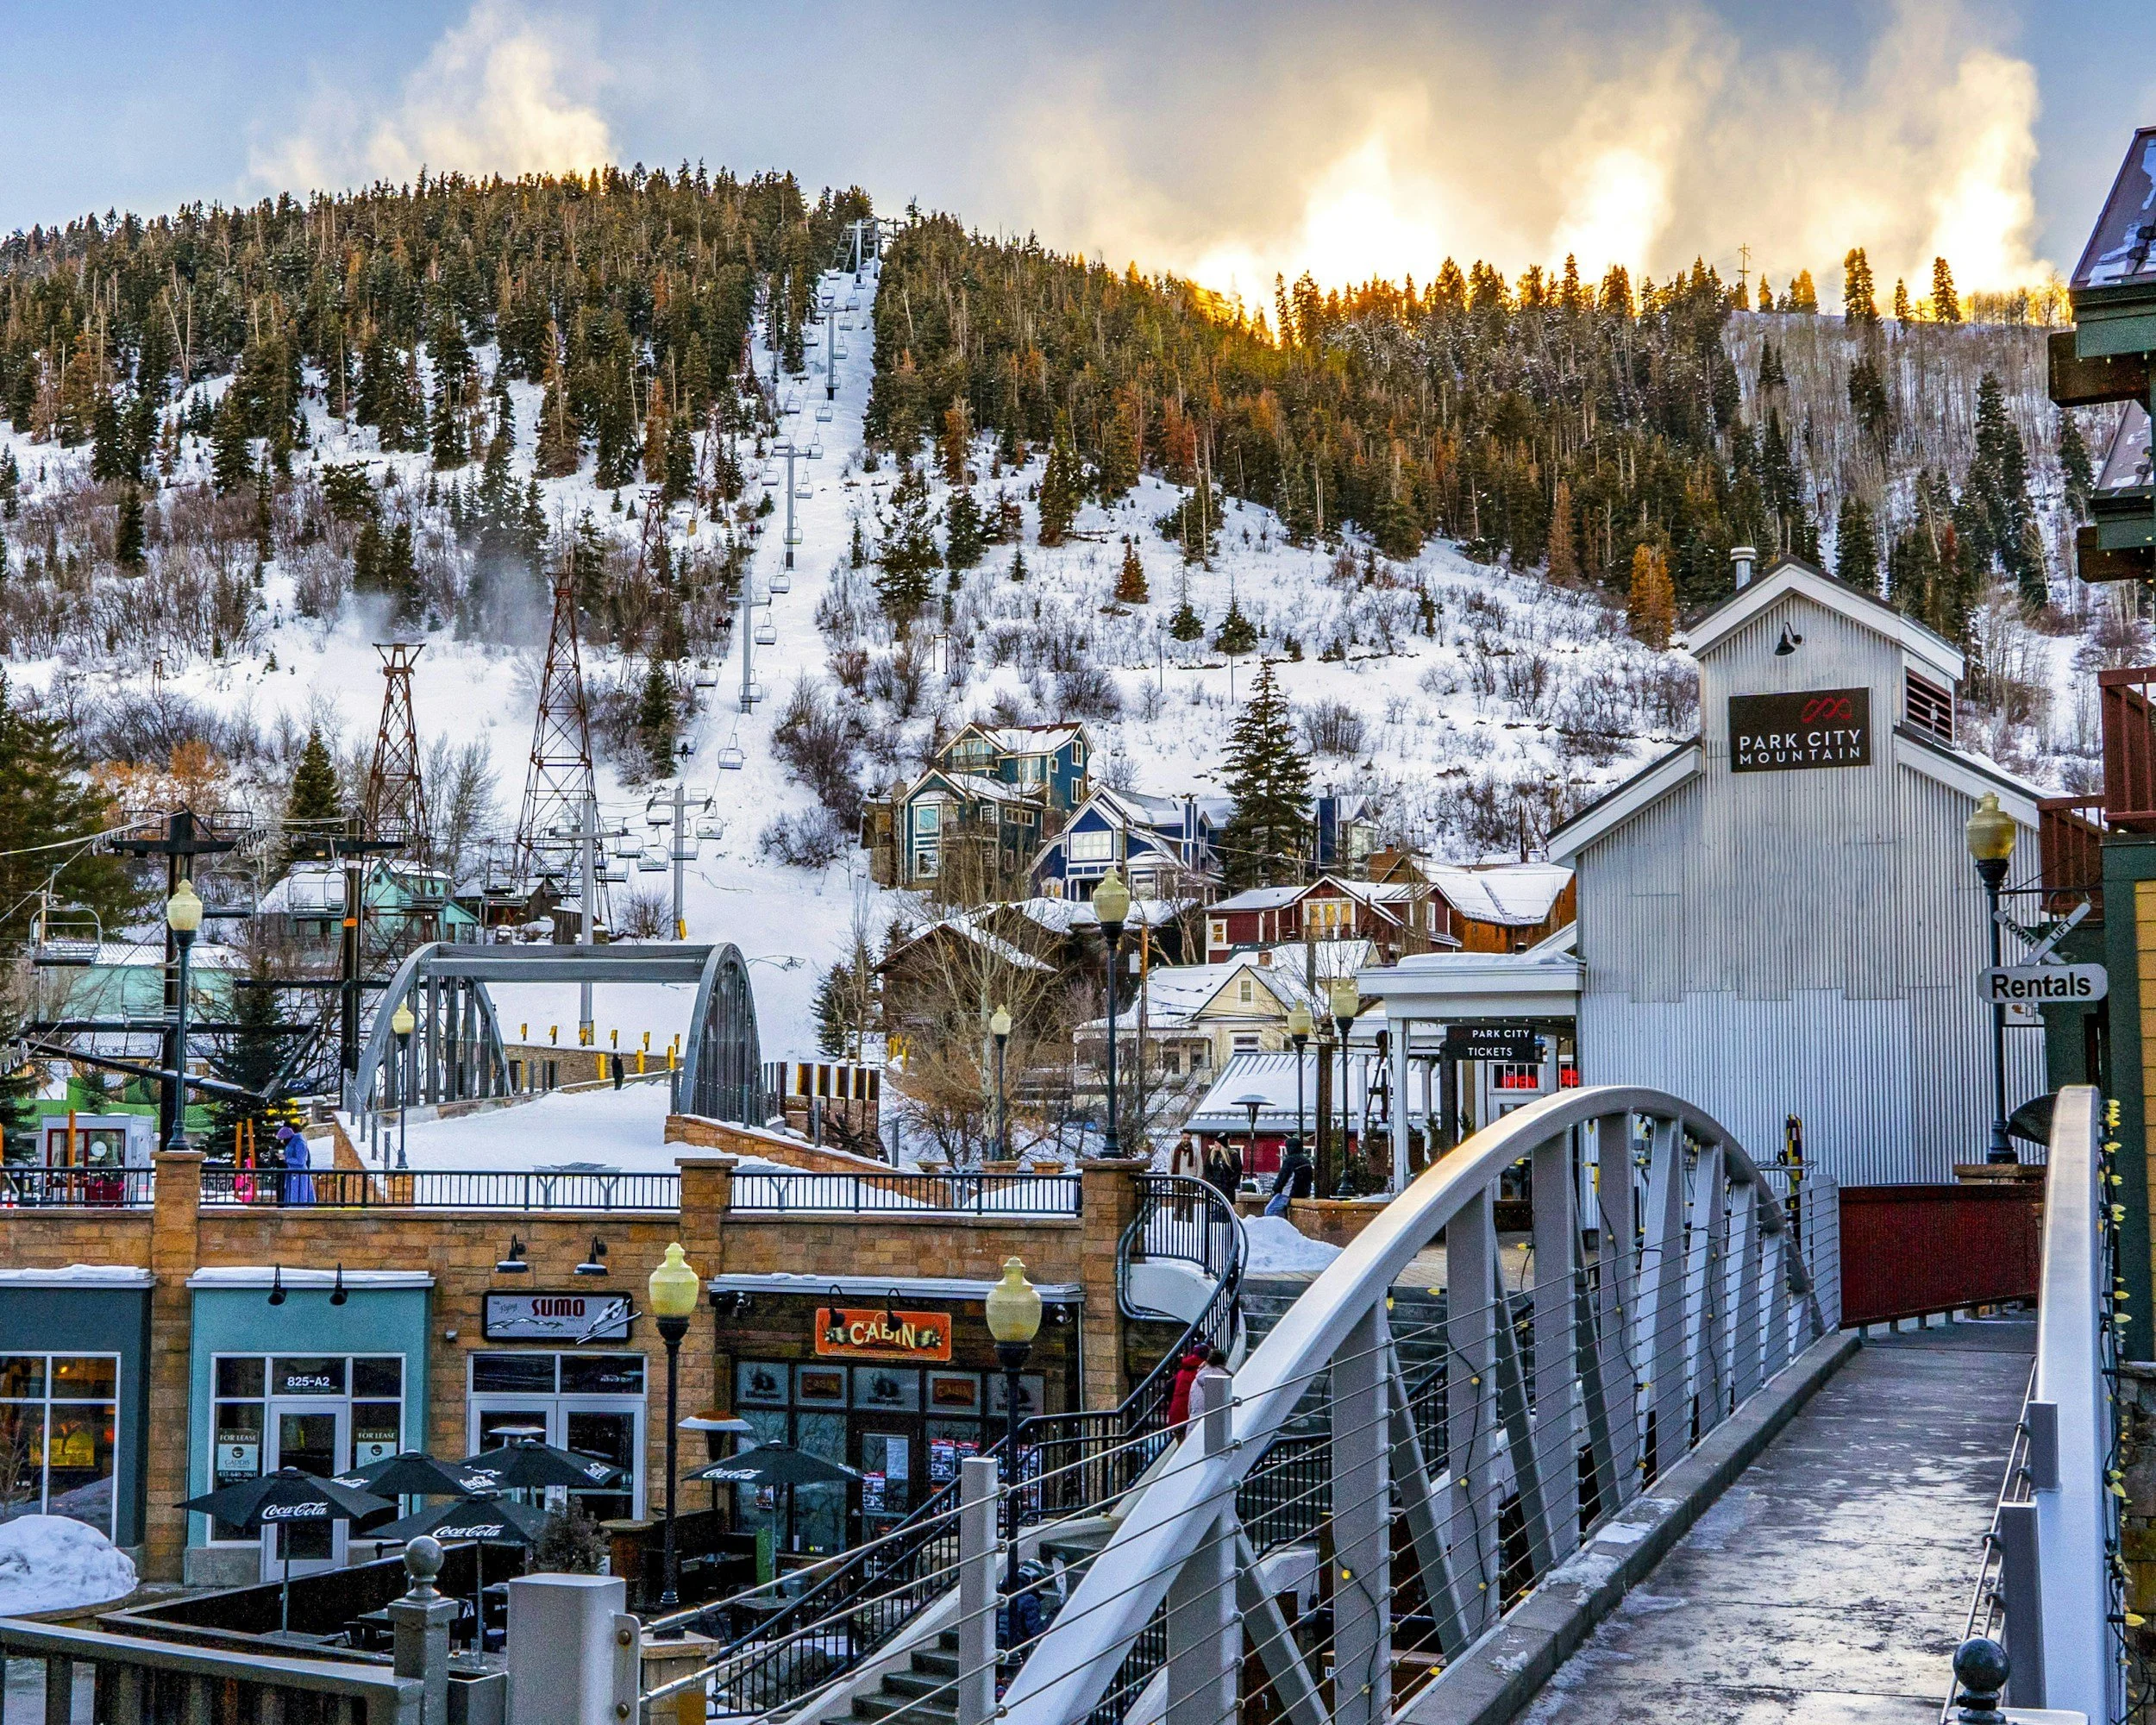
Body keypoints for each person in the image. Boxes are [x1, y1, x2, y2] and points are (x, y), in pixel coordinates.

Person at [1265, 1138, 1313, 1217]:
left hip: (1289, 1193)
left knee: (1270, 1210)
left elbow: (1282, 1178)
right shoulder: (1306, 1161)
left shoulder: (1290, 1161)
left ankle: (1277, 1227)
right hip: (1305, 1193)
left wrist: (1275, 1190)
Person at [1166, 1344, 1206, 1429]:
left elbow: (1168, 1388)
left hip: (1176, 1413)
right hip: (1189, 1416)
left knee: (1181, 1440)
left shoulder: (1182, 1372)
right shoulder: (1202, 1373)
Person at [277, 1123, 316, 1206]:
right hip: (293, 1173)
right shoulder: (293, 1142)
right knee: (294, 1195)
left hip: (299, 1174)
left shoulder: (299, 1143)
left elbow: (301, 1161)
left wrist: (286, 1158)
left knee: (298, 1195)